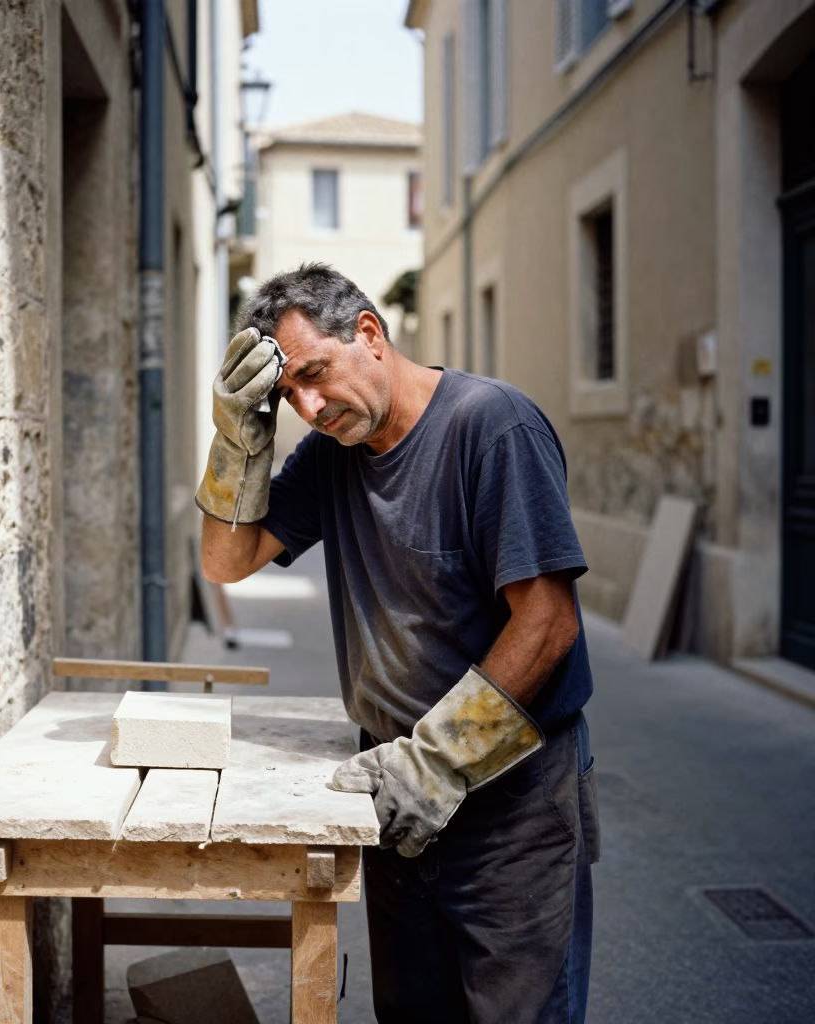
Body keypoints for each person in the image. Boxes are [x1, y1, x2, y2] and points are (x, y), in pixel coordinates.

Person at [197, 263, 600, 1024]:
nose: (310, 407)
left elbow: (549, 624)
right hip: (397, 794)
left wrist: (439, 760)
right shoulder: (332, 453)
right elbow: (225, 561)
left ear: (371, 334)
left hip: (510, 804)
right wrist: (236, 444)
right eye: (290, 396)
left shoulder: (493, 427)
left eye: (315, 373)